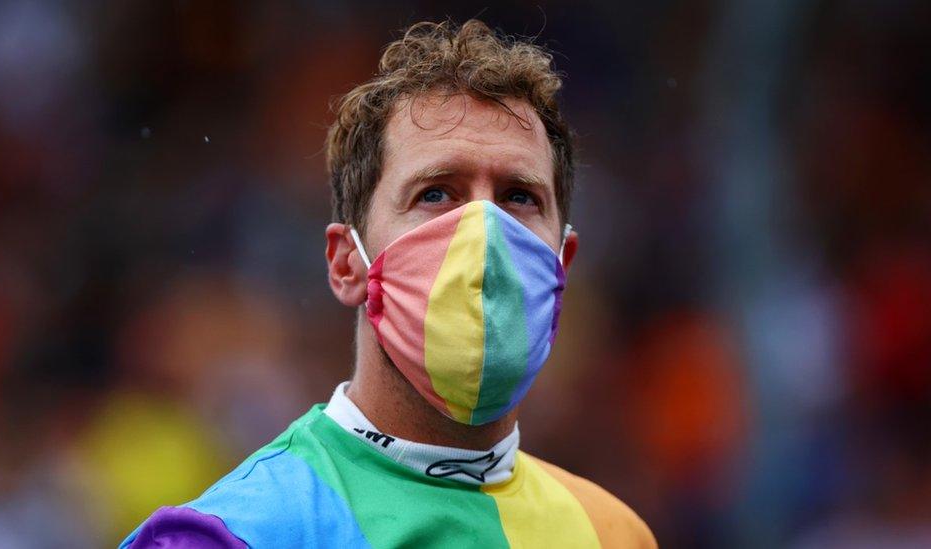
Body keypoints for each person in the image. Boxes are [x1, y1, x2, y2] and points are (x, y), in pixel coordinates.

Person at [120, 19, 657, 548]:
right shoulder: (232, 536)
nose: (484, 235)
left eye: (519, 196)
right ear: (346, 263)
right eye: (436, 193)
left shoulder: (613, 534)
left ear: (562, 263)